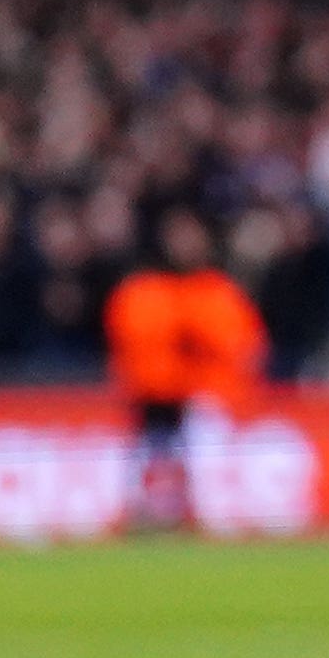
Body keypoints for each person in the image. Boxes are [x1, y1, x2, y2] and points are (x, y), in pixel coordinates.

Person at [103, 210, 268, 534]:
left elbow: (244, 346)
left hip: (201, 397)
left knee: (200, 454)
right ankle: (144, 517)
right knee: (149, 457)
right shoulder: (144, 290)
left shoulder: (215, 291)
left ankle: (203, 517)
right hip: (150, 395)